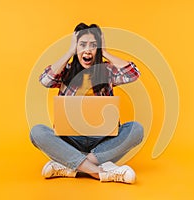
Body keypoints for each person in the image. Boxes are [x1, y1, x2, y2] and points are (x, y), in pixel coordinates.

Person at [30, 23, 144, 184]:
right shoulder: (66, 71)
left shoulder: (106, 71)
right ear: (76, 47)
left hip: (102, 142)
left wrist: (105, 52)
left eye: (93, 45)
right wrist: (70, 51)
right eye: (82, 45)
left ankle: (71, 165)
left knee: (136, 129)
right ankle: (98, 172)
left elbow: (133, 73)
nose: (88, 50)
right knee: (37, 132)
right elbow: (45, 80)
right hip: (70, 140)